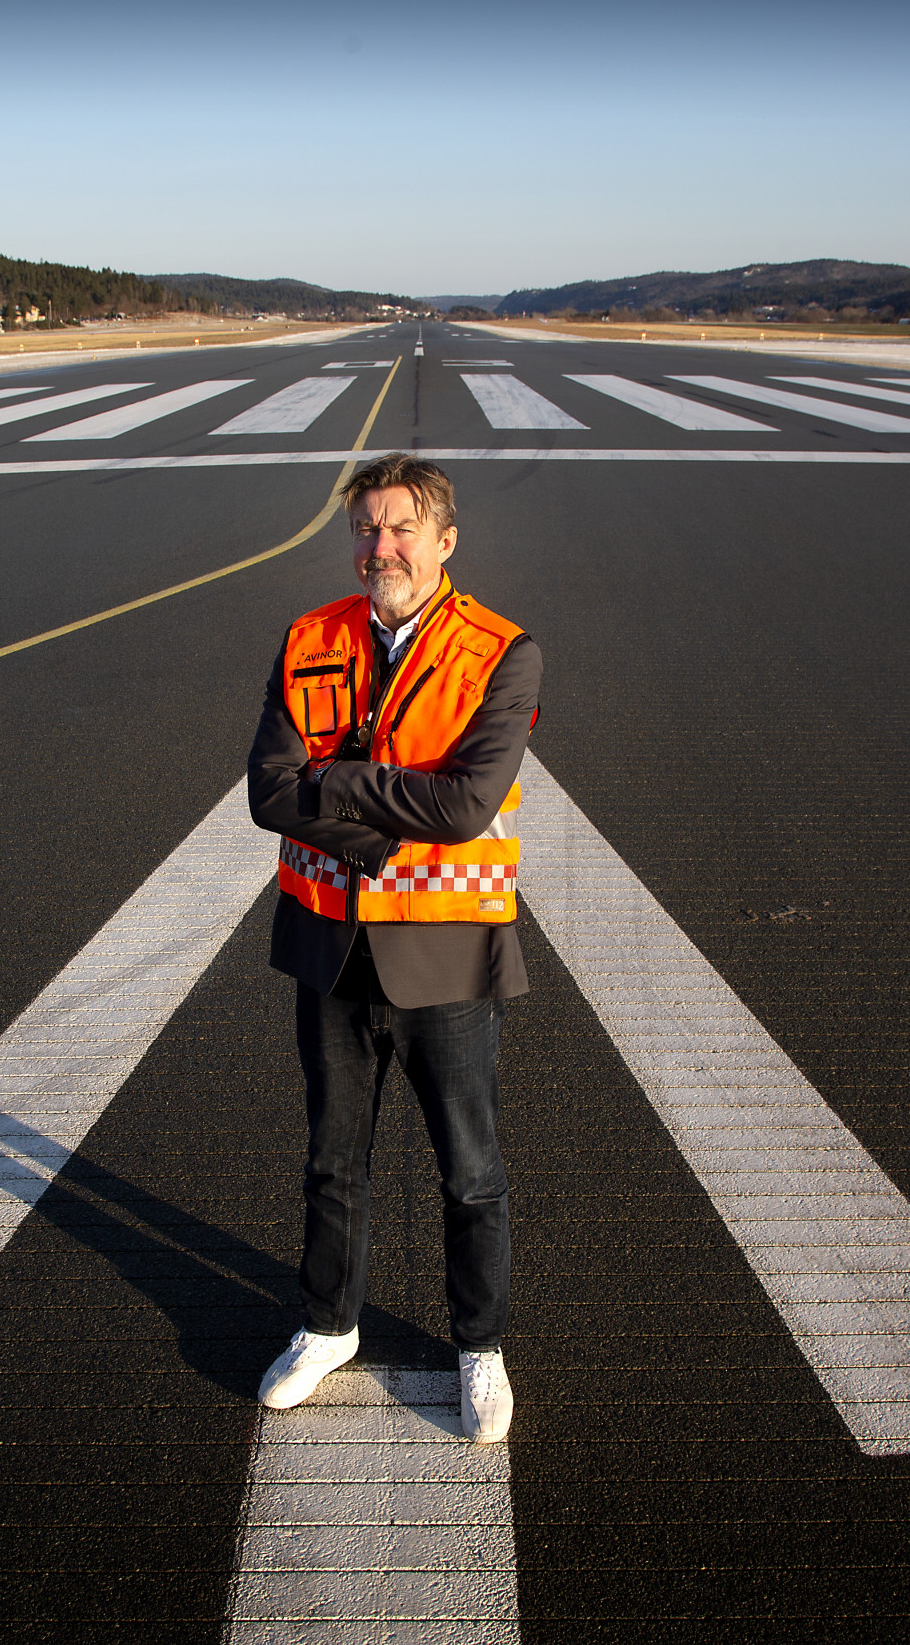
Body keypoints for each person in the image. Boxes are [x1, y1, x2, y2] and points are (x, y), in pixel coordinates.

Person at [245, 453, 541, 1444]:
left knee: (470, 1170)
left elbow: (463, 807)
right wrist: (375, 803)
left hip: (445, 954)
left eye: (402, 528)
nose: (382, 547)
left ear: (445, 541)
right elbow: (267, 793)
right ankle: (328, 1326)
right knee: (333, 1161)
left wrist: (340, 785)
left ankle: (480, 1348)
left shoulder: (500, 651)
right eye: (368, 528)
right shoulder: (310, 639)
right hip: (329, 947)